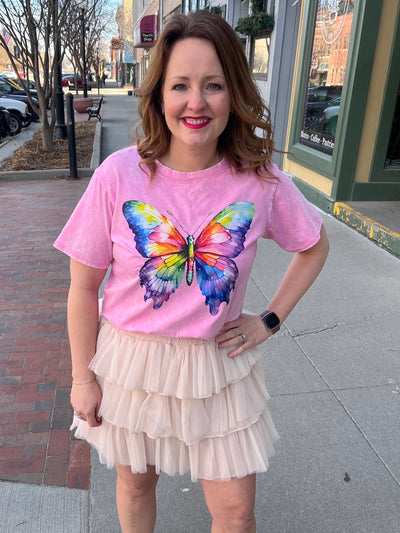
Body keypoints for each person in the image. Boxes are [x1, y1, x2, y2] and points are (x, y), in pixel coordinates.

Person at [54, 10, 329, 533]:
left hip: (219, 366)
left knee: (235, 513)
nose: (196, 102)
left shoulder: (259, 181)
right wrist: (81, 378)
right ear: (159, 94)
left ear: (235, 94)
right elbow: (83, 286)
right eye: (180, 85)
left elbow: (314, 246)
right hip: (133, 365)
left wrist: (269, 319)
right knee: (136, 485)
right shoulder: (119, 175)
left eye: (213, 85)